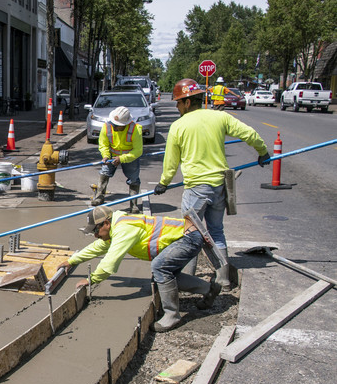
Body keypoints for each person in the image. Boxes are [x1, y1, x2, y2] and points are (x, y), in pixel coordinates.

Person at [153, 78, 270, 290]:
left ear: (188, 102)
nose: (177, 107)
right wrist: (262, 152)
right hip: (219, 186)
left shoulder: (178, 126)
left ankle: (188, 279)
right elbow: (249, 134)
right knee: (216, 231)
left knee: (190, 234)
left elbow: (171, 162)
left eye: (178, 102)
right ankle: (224, 279)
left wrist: (163, 183)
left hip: (197, 187)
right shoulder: (220, 117)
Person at [57, 206, 221, 332]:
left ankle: (172, 315)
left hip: (187, 238)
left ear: (106, 223)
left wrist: (92, 279)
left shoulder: (124, 229)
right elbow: (97, 247)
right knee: (166, 274)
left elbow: (110, 261)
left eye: (95, 230)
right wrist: (71, 261)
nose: (95, 235)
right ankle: (209, 289)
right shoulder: (115, 228)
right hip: (186, 236)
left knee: (159, 268)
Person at [91, 106, 143, 213]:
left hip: (129, 157)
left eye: (117, 125)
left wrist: (122, 158)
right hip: (111, 155)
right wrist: (105, 155)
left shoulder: (135, 129)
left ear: (126, 124)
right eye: (114, 124)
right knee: (104, 173)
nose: (114, 126)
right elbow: (103, 144)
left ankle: (133, 204)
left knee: (133, 179)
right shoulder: (106, 127)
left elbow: (138, 151)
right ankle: (99, 197)